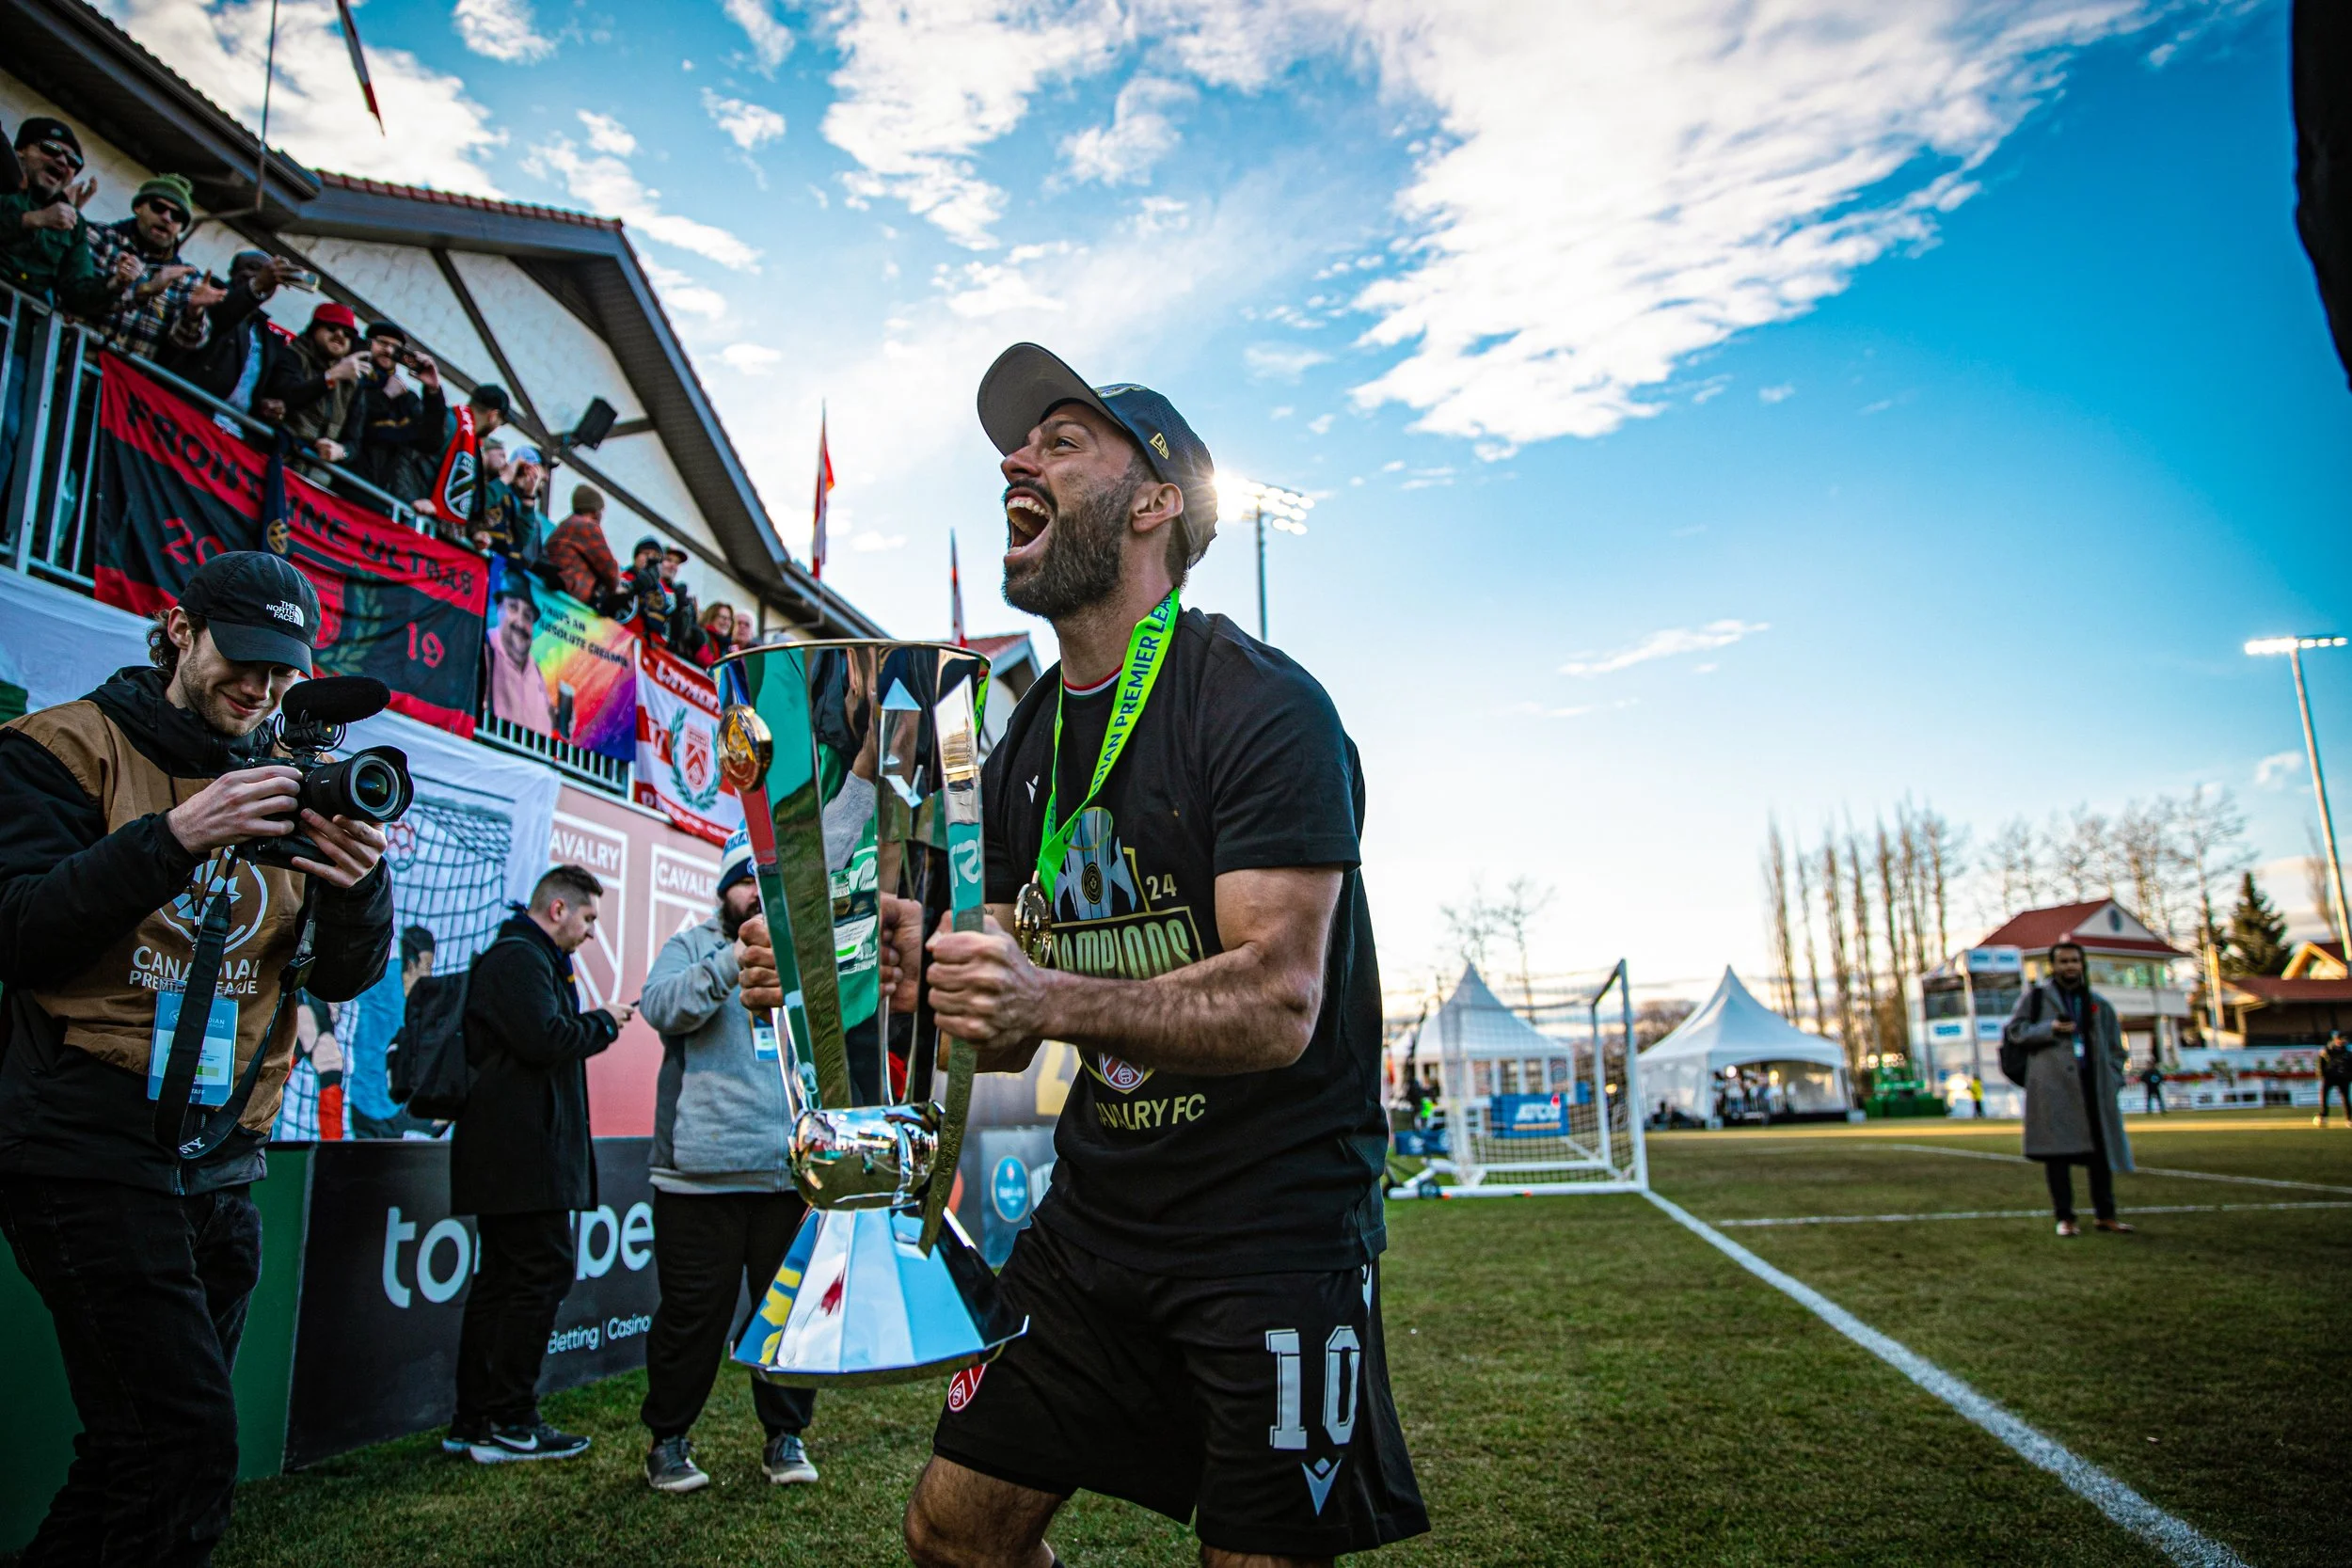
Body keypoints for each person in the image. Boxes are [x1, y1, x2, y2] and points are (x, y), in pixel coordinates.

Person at [739, 342, 1428, 1566]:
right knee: (954, 1534)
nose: (1016, 457)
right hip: (1100, 1210)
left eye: (1063, 441)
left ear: (1155, 501)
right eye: (1019, 443)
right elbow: (1000, 1009)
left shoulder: (1257, 702)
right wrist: (871, 969)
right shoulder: (1019, 748)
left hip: (1270, 1214)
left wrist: (1047, 989)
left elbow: (1279, 998)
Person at [0, 549, 392, 1564]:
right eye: (242, 659)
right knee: (182, 1450)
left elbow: (338, 979)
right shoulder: (60, 745)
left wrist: (359, 891)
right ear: (178, 628)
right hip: (88, 1139)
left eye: (281, 672)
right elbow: (22, 931)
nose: (259, 689)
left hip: (222, 1156)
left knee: (137, 1454)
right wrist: (175, 833)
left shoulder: (282, 781)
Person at [636, 831, 820, 1494]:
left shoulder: (799, 955)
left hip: (786, 1174)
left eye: (765, 879)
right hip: (699, 1177)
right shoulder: (692, 946)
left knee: (787, 1318)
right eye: (744, 879)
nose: (755, 892)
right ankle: (668, 1440)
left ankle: (785, 1433)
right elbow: (658, 1006)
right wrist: (732, 960)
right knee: (692, 1318)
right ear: (724, 889)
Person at [446, 863, 632, 1463]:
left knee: (503, 1281)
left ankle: (477, 1420)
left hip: (516, 1160)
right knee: (535, 1276)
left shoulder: (527, 959)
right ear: (558, 910)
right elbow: (546, 1039)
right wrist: (604, 1022)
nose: (591, 933)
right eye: (589, 918)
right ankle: (509, 1419)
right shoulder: (518, 959)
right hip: (520, 1162)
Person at [2002, 941, 2136, 1237]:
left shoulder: (2099, 1003)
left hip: (2093, 1088)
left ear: (2082, 965)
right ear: (2054, 966)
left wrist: (2113, 1078)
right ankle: (2065, 1217)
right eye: (2063, 961)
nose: (2069, 966)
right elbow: (2015, 1032)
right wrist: (2048, 1029)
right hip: (2055, 1088)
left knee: (2100, 1154)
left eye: (2074, 961)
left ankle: (2106, 1214)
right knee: (2057, 1156)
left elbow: (2116, 1048)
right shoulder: (2035, 1000)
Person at [82, 174, 215, 363]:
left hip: (120, 387)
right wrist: (122, 285)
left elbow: (187, 343)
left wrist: (194, 314)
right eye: (159, 208)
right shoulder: (99, 237)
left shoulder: (185, 277)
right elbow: (76, 295)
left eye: (177, 216)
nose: (167, 218)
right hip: (67, 367)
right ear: (138, 207)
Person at [158, 250, 299, 423]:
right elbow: (222, 318)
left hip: (230, 431)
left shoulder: (265, 334)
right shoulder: (212, 296)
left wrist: (266, 405)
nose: (260, 275)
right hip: (185, 412)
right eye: (253, 268)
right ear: (233, 272)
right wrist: (257, 285)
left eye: (267, 272)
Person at [0, 118, 117, 313]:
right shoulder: (4, 185)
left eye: (73, 161)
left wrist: (116, 283)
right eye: (51, 148)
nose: (62, 161)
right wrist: (31, 220)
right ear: (21, 150)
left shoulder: (74, 223)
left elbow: (76, 292)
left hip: (21, 328)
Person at [348, 925, 437, 1139]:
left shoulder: (419, 997)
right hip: (370, 1105)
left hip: (389, 1104)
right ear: (411, 964)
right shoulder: (383, 981)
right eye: (426, 966)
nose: (430, 973)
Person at [350, 321, 447, 503]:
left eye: (395, 348)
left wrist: (433, 392)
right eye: (382, 343)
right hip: (347, 481)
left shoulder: (406, 398)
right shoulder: (352, 375)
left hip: (385, 495)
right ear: (369, 342)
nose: (388, 351)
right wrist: (385, 396)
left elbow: (431, 442)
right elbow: (354, 423)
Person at [274, 301, 369, 475]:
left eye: (347, 334)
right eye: (332, 328)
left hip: (314, 482)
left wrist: (341, 451)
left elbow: (354, 442)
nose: (339, 335)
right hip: (277, 463)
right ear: (314, 329)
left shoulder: (353, 382)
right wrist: (330, 377)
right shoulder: (292, 355)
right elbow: (287, 396)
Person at [485, 580, 556, 733]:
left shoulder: (535, 668)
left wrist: (556, 718)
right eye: (513, 607)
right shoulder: (486, 648)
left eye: (527, 616)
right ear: (499, 609)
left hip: (529, 755)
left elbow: (544, 716)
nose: (520, 622)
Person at [542, 483, 625, 610]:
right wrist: (616, 589)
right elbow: (609, 567)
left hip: (552, 594)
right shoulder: (587, 526)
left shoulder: (566, 524)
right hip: (570, 596)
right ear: (595, 512)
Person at [2318, 1031, 2352, 1126]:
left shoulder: (2347, 1052)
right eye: (2342, 1039)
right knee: (2324, 1097)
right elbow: (2321, 1063)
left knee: (2345, 1098)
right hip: (2329, 1077)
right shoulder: (2327, 1050)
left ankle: (2349, 1119)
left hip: (2343, 1078)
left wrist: (2349, 1076)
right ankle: (2323, 1116)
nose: (2344, 1041)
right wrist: (2322, 1075)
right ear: (2336, 1039)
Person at [694, 601, 739, 670]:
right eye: (723, 617)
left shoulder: (727, 646)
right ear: (711, 617)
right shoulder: (701, 637)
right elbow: (707, 665)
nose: (727, 622)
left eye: (729, 619)